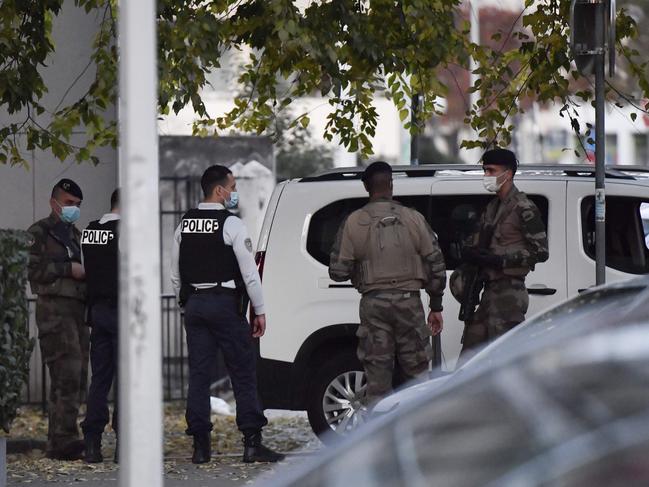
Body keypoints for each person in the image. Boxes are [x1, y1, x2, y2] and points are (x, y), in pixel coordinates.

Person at [171, 165, 284, 464]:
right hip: (224, 304)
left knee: (198, 375)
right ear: (219, 190)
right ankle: (251, 443)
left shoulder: (184, 224)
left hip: (194, 304)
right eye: (232, 187)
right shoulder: (231, 224)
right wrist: (259, 310)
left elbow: (174, 274)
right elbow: (249, 275)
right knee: (243, 373)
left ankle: (200, 447)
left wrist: (186, 304)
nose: (234, 193)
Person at [329, 161, 447, 408]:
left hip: (374, 305)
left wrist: (361, 268)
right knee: (418, 377)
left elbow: (338, 271)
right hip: (409, 303)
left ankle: (380, 437)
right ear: (391, 185)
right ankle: (418, 435)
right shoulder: (414, 219)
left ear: (366, 187)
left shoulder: (353, 222)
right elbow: (436, 263)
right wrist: (436, 305)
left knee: (377, 380)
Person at [459, 148, 549, 358]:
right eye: (485, 171)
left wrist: (500, 261)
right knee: (469, 361)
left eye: (491, 171)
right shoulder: (492, 207)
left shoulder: (523, 207)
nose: (487, 176)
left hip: (509, 294)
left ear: (507, 174)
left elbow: (541, 252)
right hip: (488, 292)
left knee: (503, 363)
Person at [27, 179, 89, 460]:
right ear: (54, 203)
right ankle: (62, 439)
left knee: (77, 375)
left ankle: (63, 437)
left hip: (77, 311)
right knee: (66, 372)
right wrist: (67, 268)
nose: (73, 209)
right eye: (68, 203)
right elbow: (32, 268)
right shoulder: (40, 232)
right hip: (54, 309)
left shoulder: (75, 234)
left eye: (76, 205)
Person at [80, 189, 120, 463]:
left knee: (100, 380)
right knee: (127, 380)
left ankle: (92, 443)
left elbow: (87, 270)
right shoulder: (126, 232)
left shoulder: (89, 231)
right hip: (121, 310)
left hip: (98, 312)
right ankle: (124, 444)